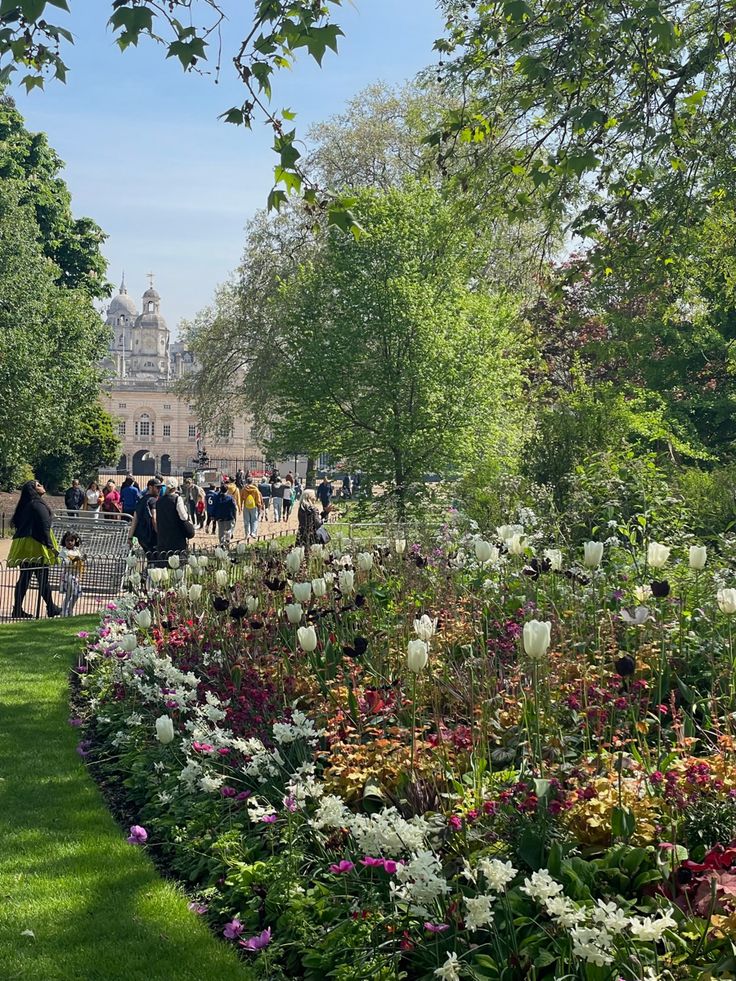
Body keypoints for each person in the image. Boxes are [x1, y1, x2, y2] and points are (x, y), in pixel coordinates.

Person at [8, 479, 61, 619]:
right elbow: (44, 527)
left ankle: (18, 609)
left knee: (25, 577)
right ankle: (51, 608)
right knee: (42, 577)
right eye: (38, 485)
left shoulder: (28, 505)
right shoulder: (37, 505)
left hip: (26, 544)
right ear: (33, 490)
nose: (42, 486)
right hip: (36, 544)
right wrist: (51, 547)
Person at [154, 478, 195, 561]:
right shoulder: (177, 499)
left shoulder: (159, 501)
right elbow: (183, 517)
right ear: (175, 488)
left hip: (163, 537)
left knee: (164, 561)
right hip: (176, 536)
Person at [128, 478, 162, 556]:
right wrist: (160, 534)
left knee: (149, 558)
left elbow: (135, 520)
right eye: (157, 487)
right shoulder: (153, 501)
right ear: (150, 487)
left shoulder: (141, 501)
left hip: (142, 537)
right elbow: (154, 518)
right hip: (152, 536)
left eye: (160, 487)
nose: (159, 489)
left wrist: (130, 537)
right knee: (156, 560)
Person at [59, 531, 84, 618]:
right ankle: (64, 611)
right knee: (70, 593)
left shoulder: (77, 550)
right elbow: (65, 562)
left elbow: (80, 560)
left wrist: (81, 559)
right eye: (67, 540)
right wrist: (74, 560)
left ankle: (69, 610)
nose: (69, 542)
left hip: (76, 575)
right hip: (68, 574)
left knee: (76, 594)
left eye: (71, 540)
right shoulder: (64, 551)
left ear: (75, 541)